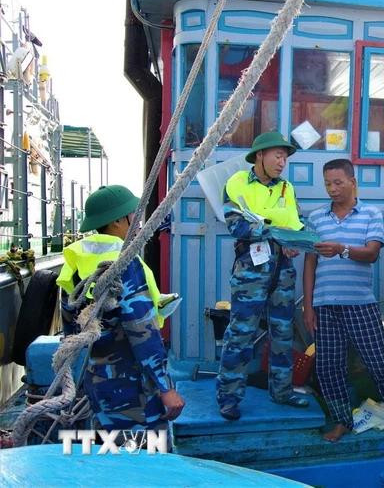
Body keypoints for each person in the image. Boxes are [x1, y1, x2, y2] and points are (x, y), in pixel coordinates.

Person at [302, 158, 384, 442]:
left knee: (381, 364)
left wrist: (341, 249)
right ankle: (341, 421)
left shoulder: (370, 213)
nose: (332, 189)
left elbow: (372, 253)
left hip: (360, 303)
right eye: (327, 184)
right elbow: (310, 263)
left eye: (338, 183)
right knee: (329, 368)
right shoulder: (316, 218)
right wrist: (308, 306)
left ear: (353, 182)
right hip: (324, 306)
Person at [58, 185, 185, 430]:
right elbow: (142, 331)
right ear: (117, 220)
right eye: (134, 214)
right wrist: (165, 387)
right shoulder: (124, 262)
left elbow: (71, 329)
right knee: (148, 458)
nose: (139, 221)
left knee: (113, 454)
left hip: (97, 381)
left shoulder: (76, 262)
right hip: (133, 387)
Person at [216, 131, 306, 421]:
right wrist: (273, 232)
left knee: (282, 333)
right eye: (277, 155)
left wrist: (297, 241)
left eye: (285, 157)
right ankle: (228, 398)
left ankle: (282, 392)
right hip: (250, 274)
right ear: (259, 156)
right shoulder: (237, 183)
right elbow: (236, 226)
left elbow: (297, 222)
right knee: (241, 334)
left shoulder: (287, 188)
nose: (282, 162)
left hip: (283, 271)